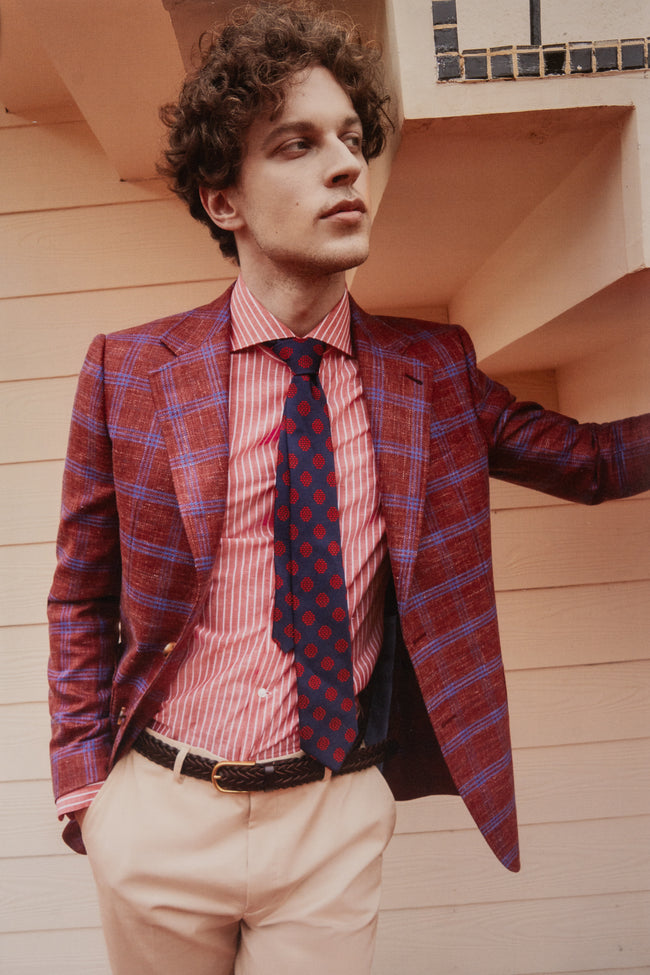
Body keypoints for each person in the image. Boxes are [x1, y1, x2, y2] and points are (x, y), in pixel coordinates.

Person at [47, 3, 650, 974]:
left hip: (329, 815)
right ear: (223, 200)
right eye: (296, 144)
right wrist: (88, 794)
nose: (344, 166)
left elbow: (585, 460)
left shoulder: (431, 373)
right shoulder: (129, 372)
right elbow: (81, 593)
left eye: (352, 140)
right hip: (157, 812)